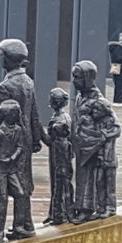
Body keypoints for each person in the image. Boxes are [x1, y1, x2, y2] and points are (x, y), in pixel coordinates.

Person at [0, 39, 44, 240]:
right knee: (24, 182)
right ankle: (24, 223)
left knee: (13, 184)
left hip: (9, 144)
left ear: (9, 59)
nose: (0, 58)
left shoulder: (6, 85)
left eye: (2, 55)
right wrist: (37, 138)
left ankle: (20, 226)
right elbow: (34, 113)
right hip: (26, 139)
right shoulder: (28, 81)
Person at [0, 99, 25, 243]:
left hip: (12, 169)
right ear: (7, 115)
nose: (17, 115)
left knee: (20, 195)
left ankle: (18, 227)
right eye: (15, 113)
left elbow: (21, 146)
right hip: (1, 170)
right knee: (2, 201)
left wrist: (14, 157)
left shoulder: (18, 130)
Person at [71, 60, 103, 224]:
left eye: (77, 77)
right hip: (80, 146)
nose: (74, 81)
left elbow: (110, 126)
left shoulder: (98, 101)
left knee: (89, 179)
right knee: (81, 177)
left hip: (91, 147)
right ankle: (80, 205)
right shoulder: (79, 97)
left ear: (87, 78)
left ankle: (87, 208)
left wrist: (95, 142)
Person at [42, 88, 74, 226]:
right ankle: (56, 212)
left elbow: (49, 140)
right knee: (59, 184)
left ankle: (59, 213)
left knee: (58, 184)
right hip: (62, 154)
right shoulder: (65, 116)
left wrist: (38, 130)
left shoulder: (58, 120)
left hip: (58, 155)